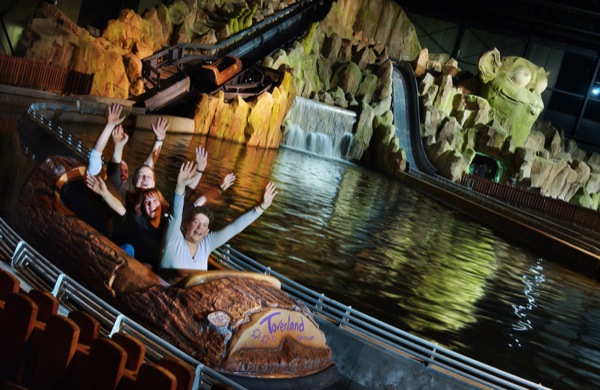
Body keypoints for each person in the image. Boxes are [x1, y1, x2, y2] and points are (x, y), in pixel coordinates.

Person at [160, 161, 278, 271]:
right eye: (196, 222)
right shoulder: (173, 238)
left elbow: (234, 228)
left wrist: (262, 207)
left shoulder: (206, 245)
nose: (200, 228)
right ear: (185, 223)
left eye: (204, 225)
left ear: (207, 231)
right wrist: (180, 187)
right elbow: (176, 215)